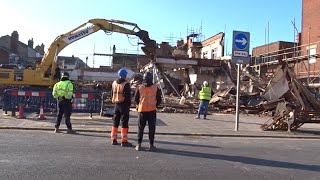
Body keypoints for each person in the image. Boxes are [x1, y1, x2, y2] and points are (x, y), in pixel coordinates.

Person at [134, 71, 162, 151]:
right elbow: (159, 100)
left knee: (140, 128)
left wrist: (139, 105)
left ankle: (138, 145)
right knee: (152, 128)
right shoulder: (155, 87)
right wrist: (154, 105)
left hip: (142, 110)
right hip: (152, 111)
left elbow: (136, 99)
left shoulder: (140, 87)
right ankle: (151, 145)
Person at [110, 68, 132, 147]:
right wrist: (128, 105)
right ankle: (124, 140)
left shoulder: (114, 83)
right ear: (125, 75)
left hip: (116, 105)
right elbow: (128, 96)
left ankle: (114, 139)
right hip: (124, 105)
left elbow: (112, 94)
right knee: (124, 123)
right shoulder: (126, 84)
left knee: (115, 122)